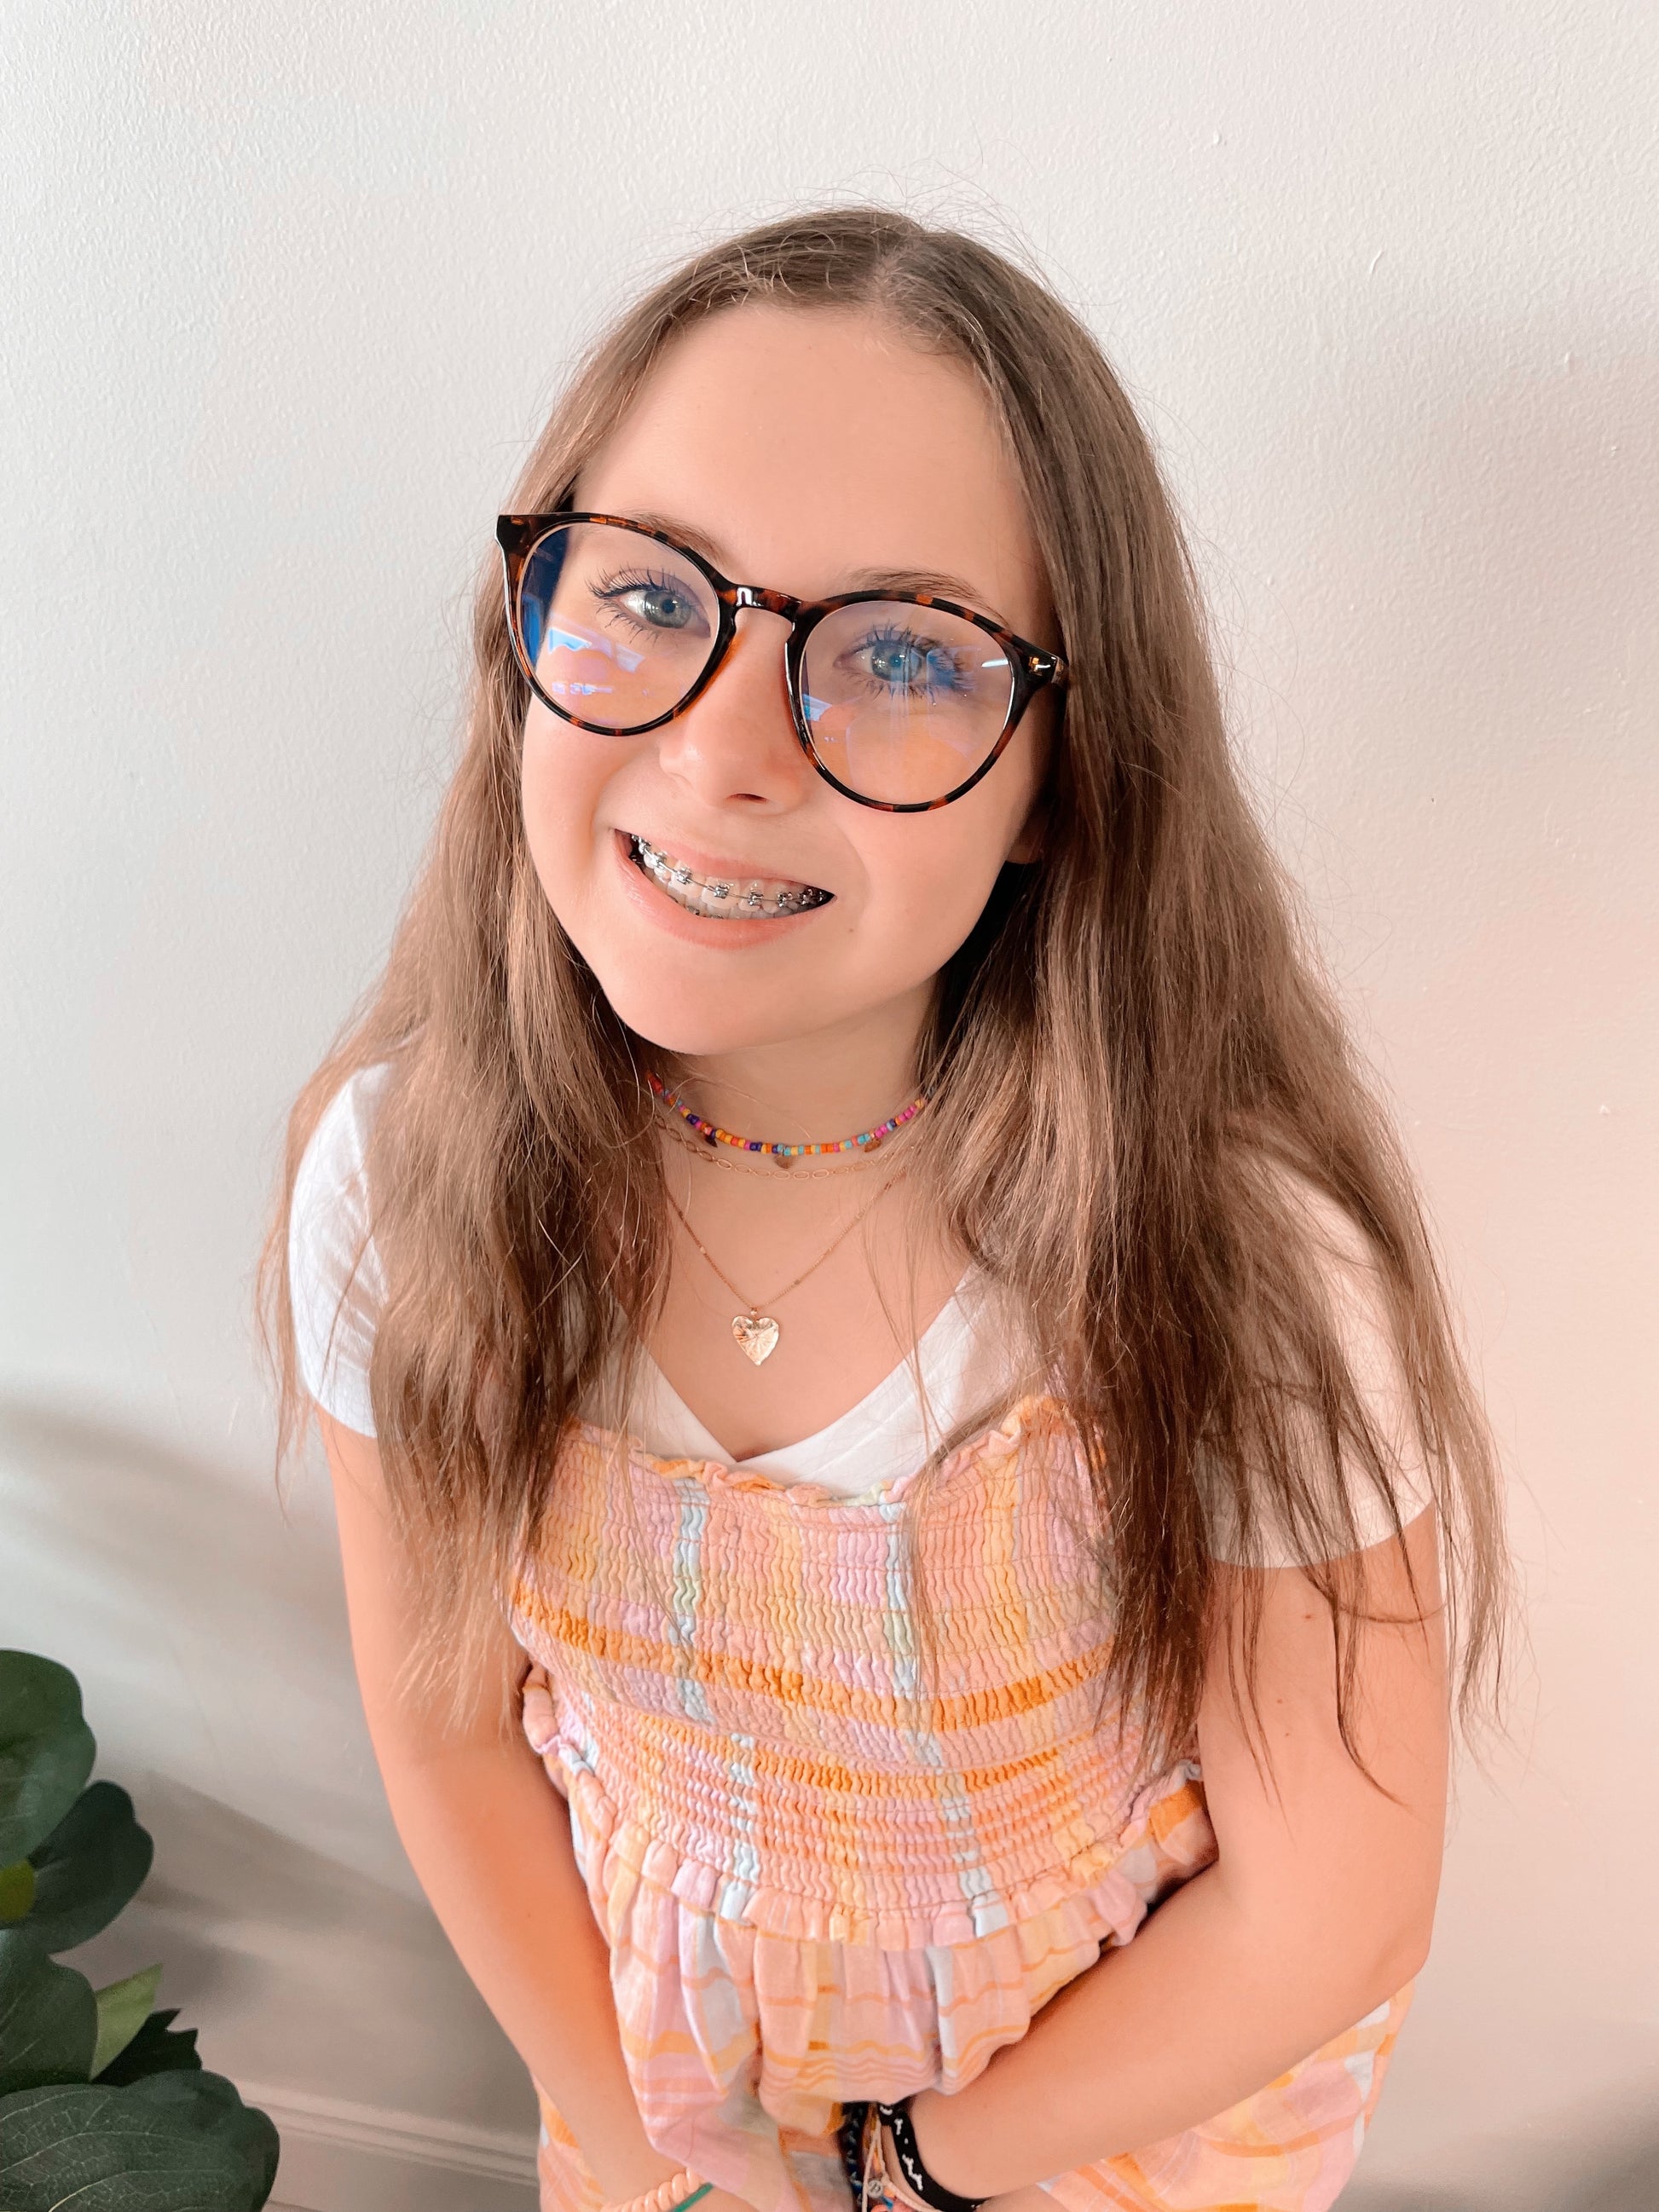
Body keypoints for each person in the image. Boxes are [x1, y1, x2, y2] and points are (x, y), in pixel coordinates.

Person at [258, 206, 1512, 2212]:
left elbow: (1328, 1910)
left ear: (1067, 780)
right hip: (672, 2119)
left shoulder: (1235, 1271)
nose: (722, 747)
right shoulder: (406, 1184)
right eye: (652, 595)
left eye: (905, 652)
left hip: (1104, 2135)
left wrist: (889, 2171)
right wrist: (670, 2158)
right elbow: (451, 1740)